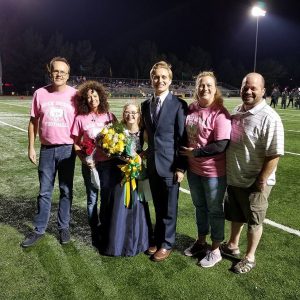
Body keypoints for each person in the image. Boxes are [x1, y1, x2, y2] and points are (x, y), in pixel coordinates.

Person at [222, 73, 284, 274]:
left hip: (255, 181)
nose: (248, 91)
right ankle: (232, 244)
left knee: (254, 220)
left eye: (253, 88)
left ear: (263, 91)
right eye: (245, 87)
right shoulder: (237, 111)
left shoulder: (269, 117)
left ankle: (249, 257)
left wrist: (262, 179)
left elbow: (274, 153)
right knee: (236, 214)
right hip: (235, 177)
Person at [21, 57, 77, 247]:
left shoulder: (76, 95)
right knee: (44, 192)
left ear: (68, 75)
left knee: (65, 191)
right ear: (50, 72)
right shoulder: (40, 94)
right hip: (46, 150)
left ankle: (64, 227)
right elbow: (32, 121)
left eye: (63, 71)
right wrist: (31, 146)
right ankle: (39, 229)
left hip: (68, 150)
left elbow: (83, 122)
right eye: (56, 70)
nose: (59, 74)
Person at [180, 71, 231, 268]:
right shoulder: (192, 108)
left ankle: (216, 249)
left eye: (209, 85)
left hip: (213, 173)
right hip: (194, 171)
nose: (205, 88)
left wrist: (196, 153)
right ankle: (201, 241)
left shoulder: (220, 113)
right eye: (201, 85)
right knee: (199, 208)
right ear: (196, 88)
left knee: (215, 210)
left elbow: (221, 145)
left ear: (215, 88)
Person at [141, 61, 188, 262]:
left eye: (163, 77)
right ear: (151, 79)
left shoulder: (179, 105)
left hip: (170, 166)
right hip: (153, 164)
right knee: (158, 207)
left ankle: (167, 244)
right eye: (156, 77)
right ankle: (158, 238)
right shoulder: (145, 105)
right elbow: (147, 135)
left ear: (170, 80)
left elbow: (183, 138)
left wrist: (181, 167)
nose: (159, 80)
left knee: (169, 209)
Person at [102, 102, 153, 256]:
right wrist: (118, 155)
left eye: (134, 112)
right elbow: (108, 149)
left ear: (139, 115)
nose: (131, 115)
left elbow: (152, 146)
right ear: (123, 113)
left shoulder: (143, 131)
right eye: (127, 112)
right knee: (119, 204)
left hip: (136, 172)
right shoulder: (117, 129)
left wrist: (140, 156)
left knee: (137, 204)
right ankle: (118, 243)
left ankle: (139, 241)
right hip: (119, 173)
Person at [71, 80, 118, 247]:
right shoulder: (80, 118)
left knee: (106, 197)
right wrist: (84, 159)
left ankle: (105, 226)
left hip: (108, 165)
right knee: (92, 198)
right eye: (89, 97)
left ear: (101, 97)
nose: (92, 99)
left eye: (95, 95)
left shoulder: (110, 116)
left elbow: (119, 137)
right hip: (90, 165)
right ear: (85, 100)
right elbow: (76, 143)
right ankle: (94, 228)